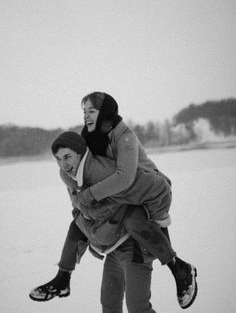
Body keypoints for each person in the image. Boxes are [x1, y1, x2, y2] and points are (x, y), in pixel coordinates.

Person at [30, 92, 198, 310]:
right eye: (84, 111)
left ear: (105, 112)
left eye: (92, 111)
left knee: (134, 221)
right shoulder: (88, 138)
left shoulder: (123, 135)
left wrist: (88, 197)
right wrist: (86, 211)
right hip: (117, 232)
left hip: (146, 188)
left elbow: (126, 178)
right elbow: (82, 202)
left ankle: (179, 269)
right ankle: (63, 278)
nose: (86, 116)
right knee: (82, 221)